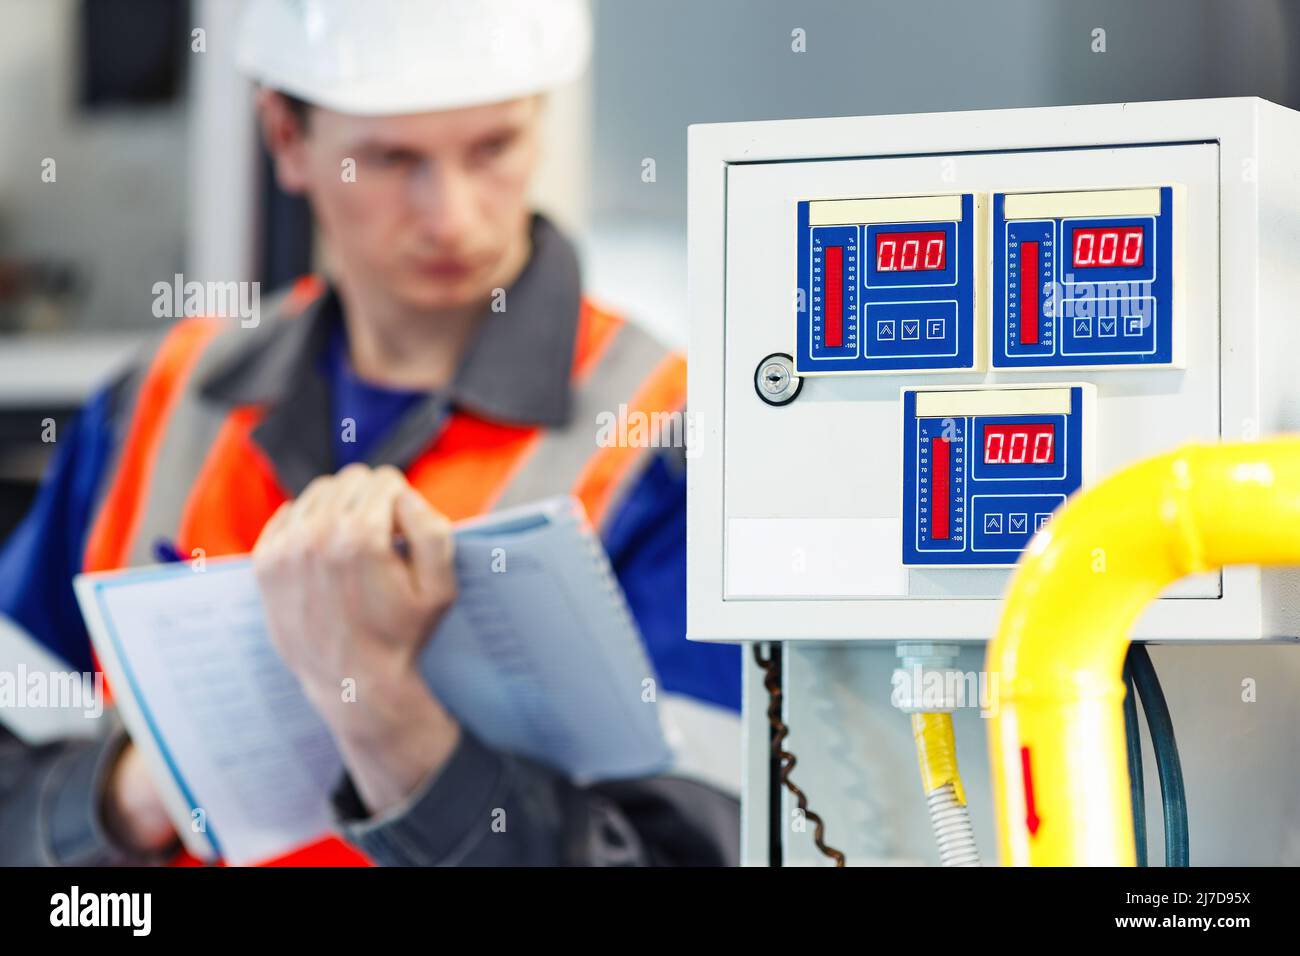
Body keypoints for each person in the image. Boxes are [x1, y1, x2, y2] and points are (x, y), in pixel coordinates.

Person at [0, 0, 740, 867]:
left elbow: (699, 852)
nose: (453, 217)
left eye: (493, 148)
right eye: (392, 160)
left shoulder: (672, 439)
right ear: (284, 136)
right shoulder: (157, 404)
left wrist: (387, 721)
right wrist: (141, 791)